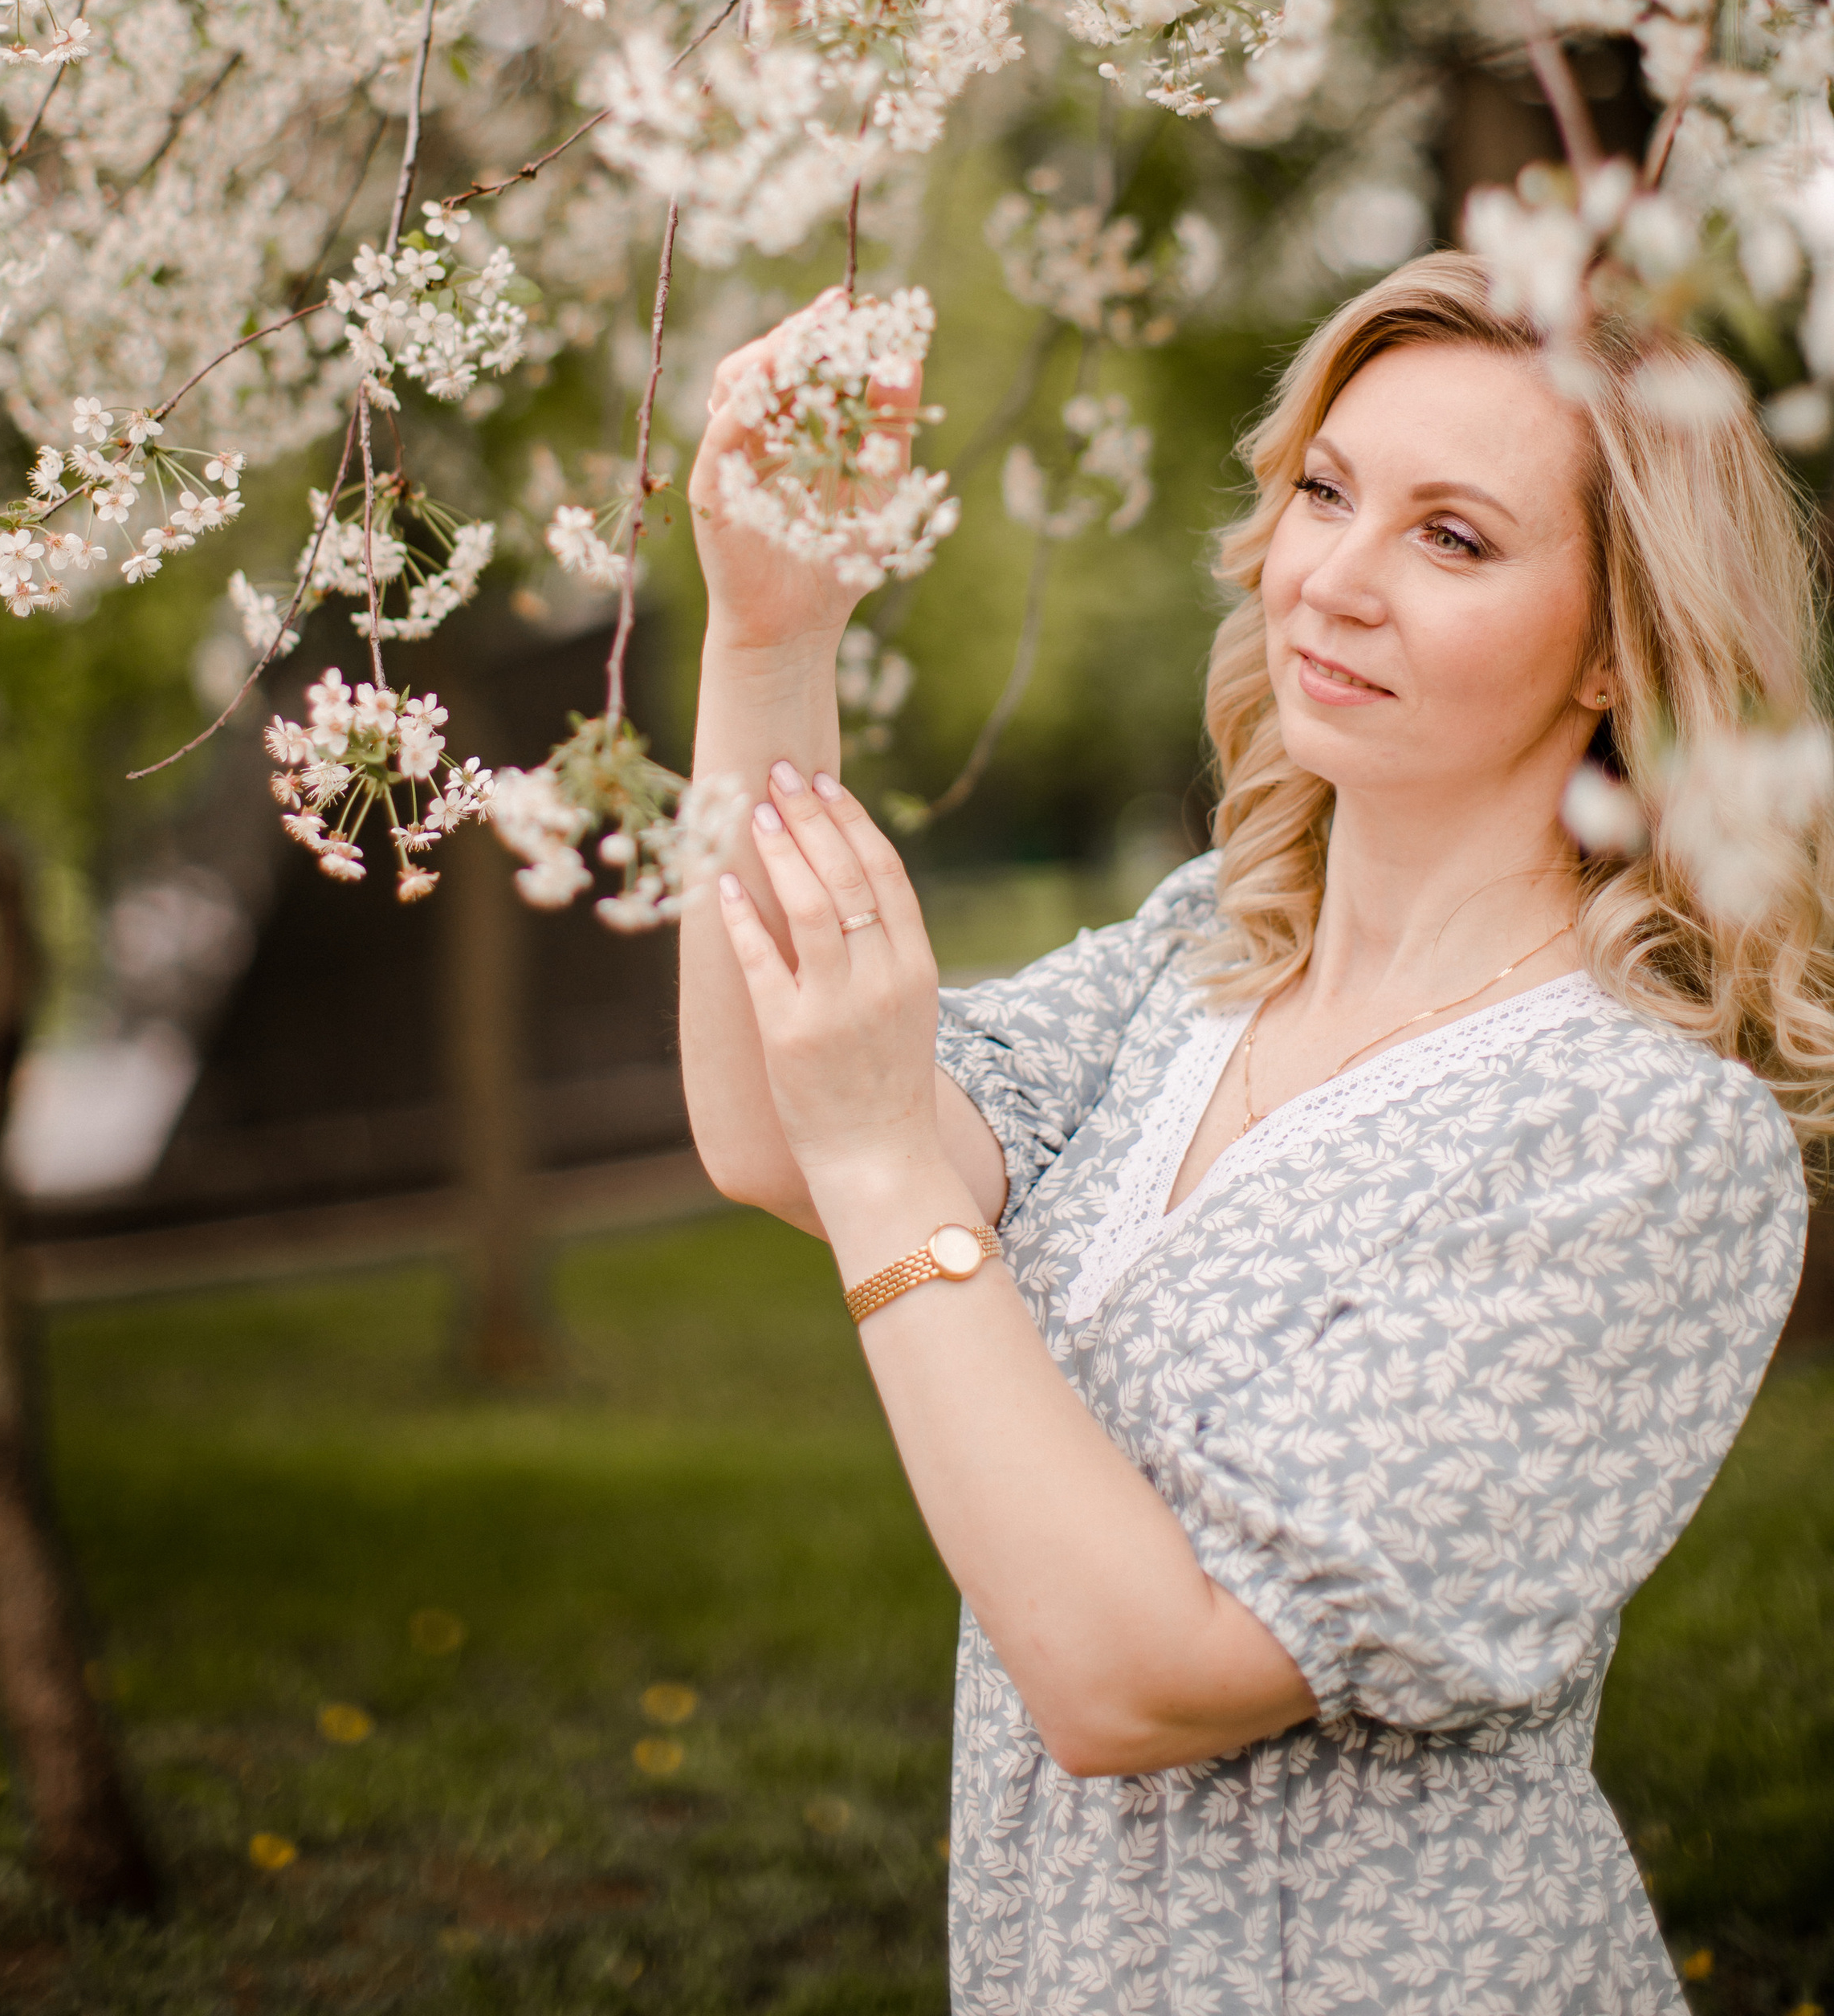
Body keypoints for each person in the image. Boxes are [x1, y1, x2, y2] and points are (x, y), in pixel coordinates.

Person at [678, 250, 1820, 2016]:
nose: (1332, 580)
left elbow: (1141, 1681)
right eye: (1322, 493)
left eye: (1449, 538)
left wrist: (887, 1163)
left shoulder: (1644, 1139)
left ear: (1609, 647)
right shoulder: (1204, 953)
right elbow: (773, 1130)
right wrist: (771, 639)